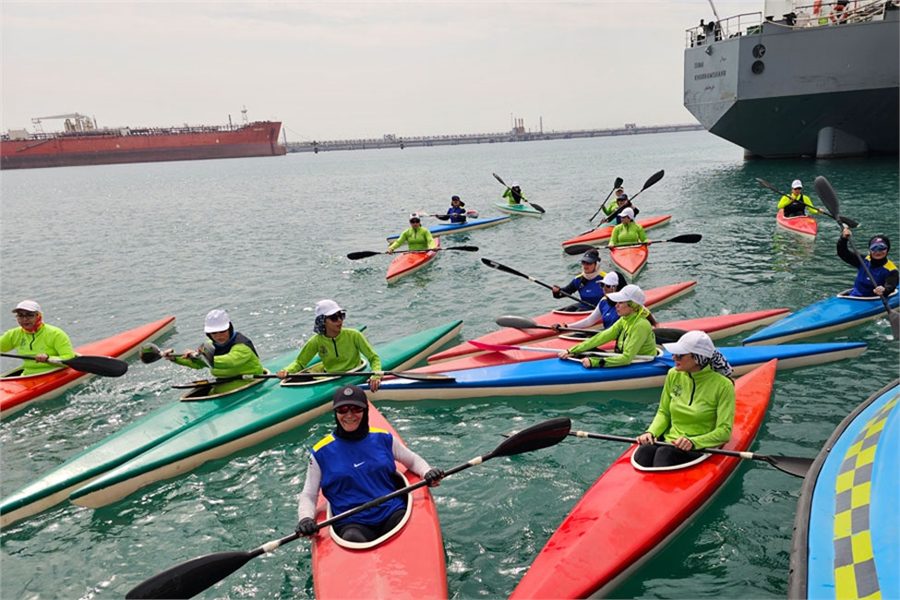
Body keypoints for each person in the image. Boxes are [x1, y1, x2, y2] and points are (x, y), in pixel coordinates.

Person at [295, 385, 444, 542]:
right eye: (343, 410)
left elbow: (413, 460)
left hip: (392, 511)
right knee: (352, 537)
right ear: (335, 413)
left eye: (356, 409)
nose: (350, 415)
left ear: (365, 410)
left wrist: (427, 472)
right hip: (351, 523)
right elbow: (309, 495)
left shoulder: (384, 438)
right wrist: (305, 519)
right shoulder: (320, 452)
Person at [634, 330, 735, 468]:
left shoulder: (724, 385)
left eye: (680, 355)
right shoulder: (673, 374)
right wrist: (651, 432)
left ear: (698, 358)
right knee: (645, 450)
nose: (674, 357)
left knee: (665, 453)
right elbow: (664, 412)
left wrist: (693, 442)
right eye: (674, 353)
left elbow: (724, 432)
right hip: (669, 441)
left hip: (699, 446)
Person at [277, 300, 383, 392]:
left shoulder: (355, 335)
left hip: (355, 373)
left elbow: (374, 358)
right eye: (334, 318)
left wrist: (376, 375)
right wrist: (287, 371)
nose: (339, 320)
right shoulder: (316, 341)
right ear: (322, 321)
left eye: (341, 315)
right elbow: (300, 362)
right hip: (329, 377)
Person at [558, 284, 657, 367]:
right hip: (627, 359)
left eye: (620, 302)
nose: (616, 305)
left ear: (632, 305)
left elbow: (627, 358)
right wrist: (571, 350)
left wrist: (594, 362)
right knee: (586, 351)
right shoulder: (624, 320)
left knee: (591, 357)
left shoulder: (641, 325)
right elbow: (602, 337)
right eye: (617, 302)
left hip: (640, 363)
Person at [165, 309, 264, 379]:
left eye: (222, 331)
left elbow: (229, 362)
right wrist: (174, 358)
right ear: (209, 334)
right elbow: (199, 364)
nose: (219, 336)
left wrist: (200, 356)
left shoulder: (242, 345)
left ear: (229, 329)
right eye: (214, 333)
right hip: (225, 380)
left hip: (249, 379)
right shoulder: (208, 346)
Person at [1, 300, 75, 376]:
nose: (24, 319)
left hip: (53, 373)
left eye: (30, 315)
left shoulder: (56, 334)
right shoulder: (13, 334)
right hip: (28, 375)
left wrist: (48, 358)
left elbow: (69, 359)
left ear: (38, 316)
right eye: (20, 315)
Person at [553, 270, 627, 331]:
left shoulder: (627, 305)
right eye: (602, 285)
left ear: (616, 287)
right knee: (580, 334)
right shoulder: (604, 301)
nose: (604, 288)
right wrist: (566, 327)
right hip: (607, 334)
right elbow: (589, 321)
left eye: (607, 286)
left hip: (616, 338)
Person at [837, 230, 898, 298]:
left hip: (873, 300)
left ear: (887, 250)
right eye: (874, 248)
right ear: (869, 250)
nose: (878, 252)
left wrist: (884, 290)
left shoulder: (892, 270)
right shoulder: (863, 260)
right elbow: (842, 253)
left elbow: (890, 286)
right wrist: (843, 238)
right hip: (854, 297)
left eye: (882, 248)